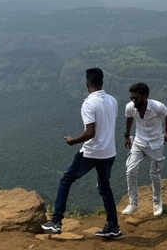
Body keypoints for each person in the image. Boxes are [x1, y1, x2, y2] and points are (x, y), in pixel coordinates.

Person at [42, 67, 121, 238]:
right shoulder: (113, 101)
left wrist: (72, 141)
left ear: (87, 84)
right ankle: (113, 226)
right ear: (102, 82)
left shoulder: (88, 103)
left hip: (92, 153)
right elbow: (107, 125)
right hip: (109, 152)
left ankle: (56, 221)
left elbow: (91, 133)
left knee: (66, 179)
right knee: (105, 187)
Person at [121, 82, 167, 217]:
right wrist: (127, 136)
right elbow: (129, 118)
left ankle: (157, 202)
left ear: (145, 96)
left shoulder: (157, 107)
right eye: (132, 97)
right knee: (130, 170)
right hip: (139, 141)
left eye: (136, 97)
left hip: (156, 143)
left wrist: (166, 133)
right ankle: (133, 203)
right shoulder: (130, 107)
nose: (133, 100)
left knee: (154, 174)